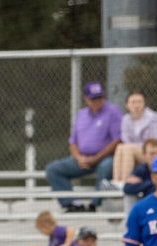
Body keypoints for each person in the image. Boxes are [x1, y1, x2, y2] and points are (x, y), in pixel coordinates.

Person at [44, 81, 122, 212]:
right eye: (94, 99)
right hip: (83, 159)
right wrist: (79, 157)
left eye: (100, 98)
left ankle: (94, 204)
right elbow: (73, 141)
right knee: (53, 169)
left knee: (106, 166)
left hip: (105, 157)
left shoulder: (113, 112)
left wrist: (95, 158)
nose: (97, 101)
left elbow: (117, 140)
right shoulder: (81, 115)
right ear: (86, 99)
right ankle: (71, 204)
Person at [112, 92, 157, 185]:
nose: (136, 105)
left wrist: (133, 147)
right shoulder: (126, 119)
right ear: (127, 105)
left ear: (144, 104)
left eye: (139, 102)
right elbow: (126, 139)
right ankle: (116, 181)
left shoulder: (152, 120)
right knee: (120, 147)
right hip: (138, 152)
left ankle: (124, 182)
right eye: (133, 102)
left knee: (127, 148)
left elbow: (154, 144)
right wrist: (133, 147)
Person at [121, 138, 157, 205]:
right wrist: (151, 184)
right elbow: (127, 189)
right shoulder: (141, 169)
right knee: (130, 197)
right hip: (148, 205)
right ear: (144, 155)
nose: (156, 157)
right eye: (152, 154)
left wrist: (144, 183)